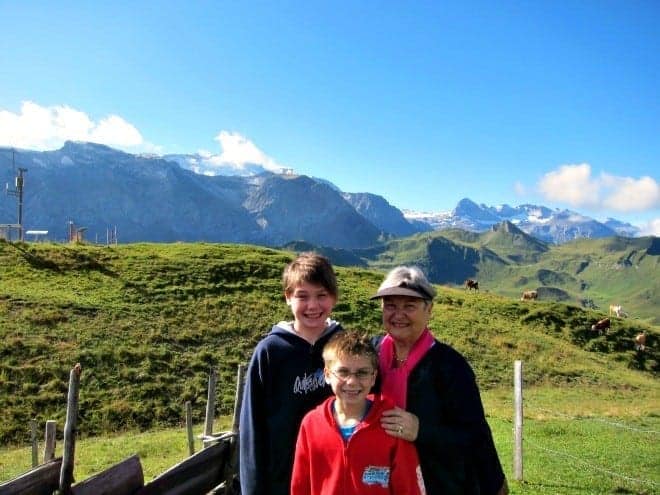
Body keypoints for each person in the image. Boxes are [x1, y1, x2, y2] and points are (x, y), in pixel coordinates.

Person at [371, 266, 508, 495]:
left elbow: (474, 437)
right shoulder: (370, 355)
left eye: (409, 306)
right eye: (390, 305)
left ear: (429, 309)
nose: (398, 314)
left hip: (438, 483)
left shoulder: (451, 367)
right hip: (379, 481)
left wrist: (421, 430)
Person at [239, 252, 343, 495]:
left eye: (321, 295)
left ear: (334, 298)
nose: (313, 306)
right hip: (283, 479)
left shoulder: (342, 345)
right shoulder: (270, 352)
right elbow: (252, 428)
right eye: (302, 296)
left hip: (334, 477)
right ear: (288, 297)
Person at [291, 332, 426, 495]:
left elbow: (409, 488)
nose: (352, 381)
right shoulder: (311, 424)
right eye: (343, 372)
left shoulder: (392, 423)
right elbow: (300, 486)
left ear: (373, 377)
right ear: (327, 375)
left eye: (362, 373)